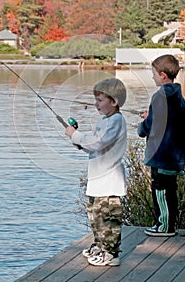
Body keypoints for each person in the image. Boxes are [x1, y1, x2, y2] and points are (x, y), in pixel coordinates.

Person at [65, 77, 127, 266]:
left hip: (109, 180)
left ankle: (111, 254)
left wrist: (75, 135)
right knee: (96, 215)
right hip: (98, 179)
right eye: (96, 99)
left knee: (109, 218)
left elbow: (98, 142)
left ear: (114, 102)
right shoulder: (104, 121)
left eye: (100, 100)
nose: (96, 104)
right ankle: (100, 246)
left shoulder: (115, 120)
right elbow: (93, 145)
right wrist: (77, 141)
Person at [137, 54, 185, 237]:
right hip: (174, 155)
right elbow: (166, 120)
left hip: (162, 156)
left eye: (153, 73)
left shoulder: (160, 97)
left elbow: (151, 127)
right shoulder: (178, 97)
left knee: (160, 189)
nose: (152, 77)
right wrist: (150, 114)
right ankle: (168, 224)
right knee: (170, 190)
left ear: (162, 75)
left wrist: (142, 126)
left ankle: (164, 226)